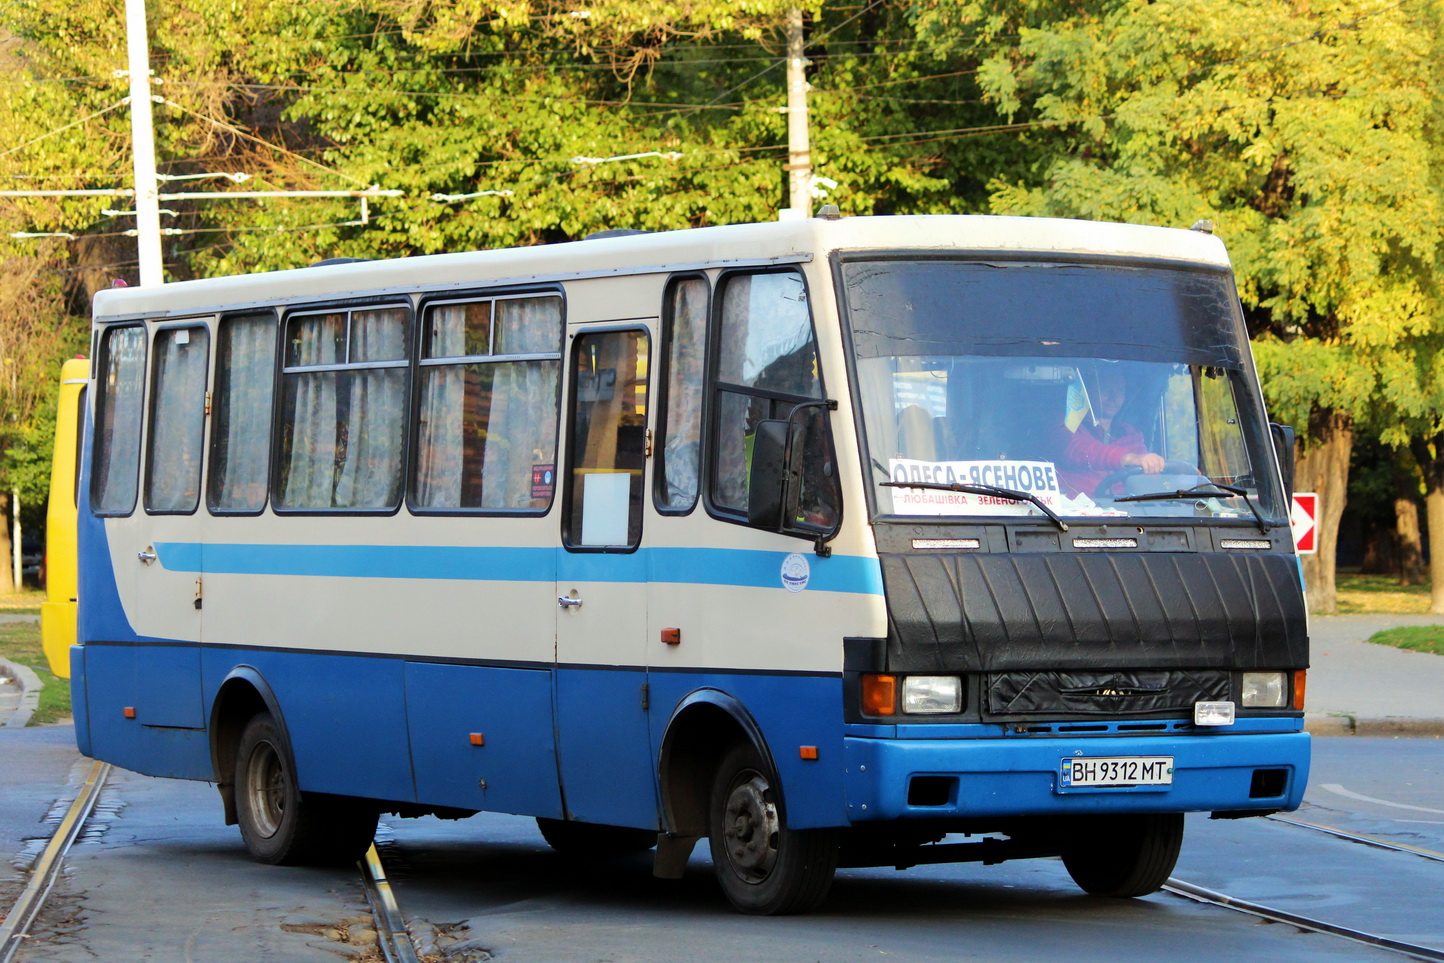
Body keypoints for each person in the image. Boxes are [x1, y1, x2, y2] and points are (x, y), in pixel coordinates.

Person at [1056, 365, 1165, 497]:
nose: (1114, 397)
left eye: (1120, 390)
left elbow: (1147, 474)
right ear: (1088, 391)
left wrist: (1167, 472)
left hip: (1125, 512)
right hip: (1072, 514)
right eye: (1106, 389)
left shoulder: (1131, 434)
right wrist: (1130, 458)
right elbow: (1082, 450)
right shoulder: (1065, 423)